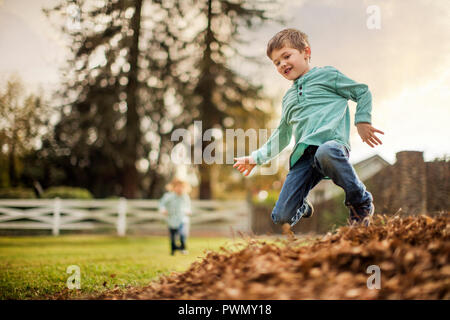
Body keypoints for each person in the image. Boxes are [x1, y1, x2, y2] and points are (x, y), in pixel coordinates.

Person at [233, 28, 384, 227]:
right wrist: (256, 158)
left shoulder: (328, 76)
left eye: (286, 56)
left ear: (306, 52)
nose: (282, 64)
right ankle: (301, 206)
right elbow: (282, 135)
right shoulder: (288, 99)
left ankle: (360, 201)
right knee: (281, 217)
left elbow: (362, 92)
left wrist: (362, 121)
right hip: (304, 158)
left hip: (332, 147)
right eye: (277, 62)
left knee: (325, 151)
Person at [159, 178, 192, 255]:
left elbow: (188, 206)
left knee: (182, 234)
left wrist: (188, 211)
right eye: (178, 187)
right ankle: (173, 249)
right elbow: (161, 204)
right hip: (172, 219)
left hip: (183, 219)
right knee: (173, 236)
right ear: (173, 187)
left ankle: (183, 247)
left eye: (182, 187)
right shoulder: (168, 196)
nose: (180, 189)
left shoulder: (185, 197)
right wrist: (163, 210)